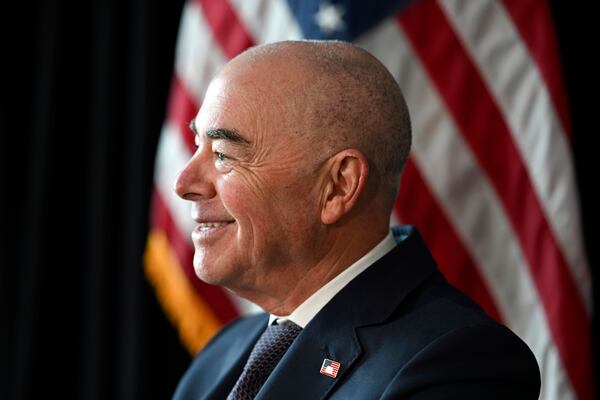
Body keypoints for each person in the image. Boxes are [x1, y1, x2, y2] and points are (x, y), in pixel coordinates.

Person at [172, 40, 540, 399]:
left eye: (223, 154)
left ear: (338, 187)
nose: (184, 184)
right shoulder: (223, 352)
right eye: (196, 147)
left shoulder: (459, 362)